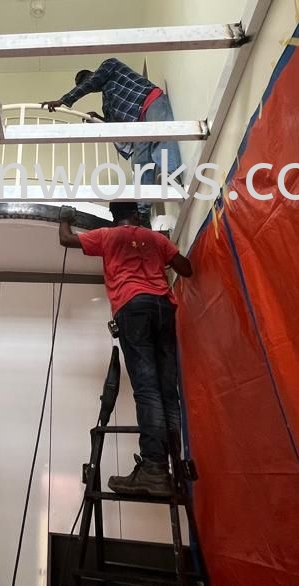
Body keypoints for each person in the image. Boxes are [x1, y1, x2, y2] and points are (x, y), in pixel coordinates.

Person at [58, 202, 193, 497]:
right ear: (136, 214)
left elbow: (66, 239)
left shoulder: (108, 235)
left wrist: (65, 218)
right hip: (163, 308)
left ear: (114, 216)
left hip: (132, 307)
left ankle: (154, 469)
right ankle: (170, 466)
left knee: (147, 389)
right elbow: (187, 269)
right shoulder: (155, 238)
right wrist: (162, 252)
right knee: (167, 390)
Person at [42, 59, 182, 225]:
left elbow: (92, 82)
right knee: (139, 165)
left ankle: (174, 175)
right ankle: (143, 213)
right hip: (137, 126)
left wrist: (63, 101)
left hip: (150, 102)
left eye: (85, 83)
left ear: (92, 75)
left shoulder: (110, 66)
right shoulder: (107, 102)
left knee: (162, 137)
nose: (87, 86)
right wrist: (99, 119)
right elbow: (113, 127)